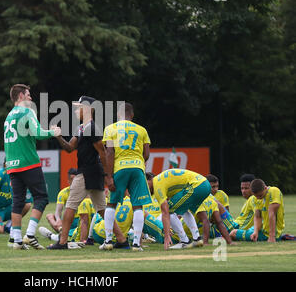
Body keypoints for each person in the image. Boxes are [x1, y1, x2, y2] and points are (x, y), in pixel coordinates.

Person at [47, 96, 127, 250]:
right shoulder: (82, 128)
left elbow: (103, 153)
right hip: (92, 172)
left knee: (70, 206)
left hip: (87, 173)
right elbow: (70, 148)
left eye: (79, 107)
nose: (76, 110)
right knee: (103, 210)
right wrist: (58, 136)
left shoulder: (91, 128)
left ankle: (62, 242)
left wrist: (108, 176)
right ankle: (122, 240)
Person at [4, 84, 61, 250]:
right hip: (28, 162)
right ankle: (29, 235)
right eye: (28, 95)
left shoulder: (8, 116)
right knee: (42, 197)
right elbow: (37, 133)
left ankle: (16, 240)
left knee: (17, 201)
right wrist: (53, 132)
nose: (31, 98)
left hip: (12, 165)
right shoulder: (27, 112)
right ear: (21, 96)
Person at [101, 102, 152, 251]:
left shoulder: (110, 128)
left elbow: (109, 152)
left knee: (111, 204)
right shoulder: (141, 130)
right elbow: (147, 154)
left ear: (118, 114)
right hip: (137, 168)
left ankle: (108, 240)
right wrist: (137, 162)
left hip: (120, 168)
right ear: (132, 115)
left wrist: (109, 176)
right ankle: (136, 243)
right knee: (138, 206)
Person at [152, 168, 211, 250]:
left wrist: (166, 235)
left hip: (196, 185)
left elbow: (165, 212)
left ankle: (184, 241)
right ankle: (197, 238)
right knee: (183, 208)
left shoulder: (156, 186)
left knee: (169, 210)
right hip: (205, 184)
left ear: (149, 180)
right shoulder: (160, 179)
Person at [0, 163, 33, 245]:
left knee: (27, 205)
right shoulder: (1, 173)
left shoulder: (21, 176)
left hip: (8, 208)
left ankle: (9, 226)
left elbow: (27, 200)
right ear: (5, 165)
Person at [45, 168, 79, 233]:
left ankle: (56, 235)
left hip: (81, 220)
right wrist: (58, 220)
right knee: (49, 216)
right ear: (68, 181)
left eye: (76, 180)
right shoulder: (63, 193)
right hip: (68, 220)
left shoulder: (84, 192)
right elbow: (58, 211)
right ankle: (62, 231)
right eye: (72, 179)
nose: (74, 182)